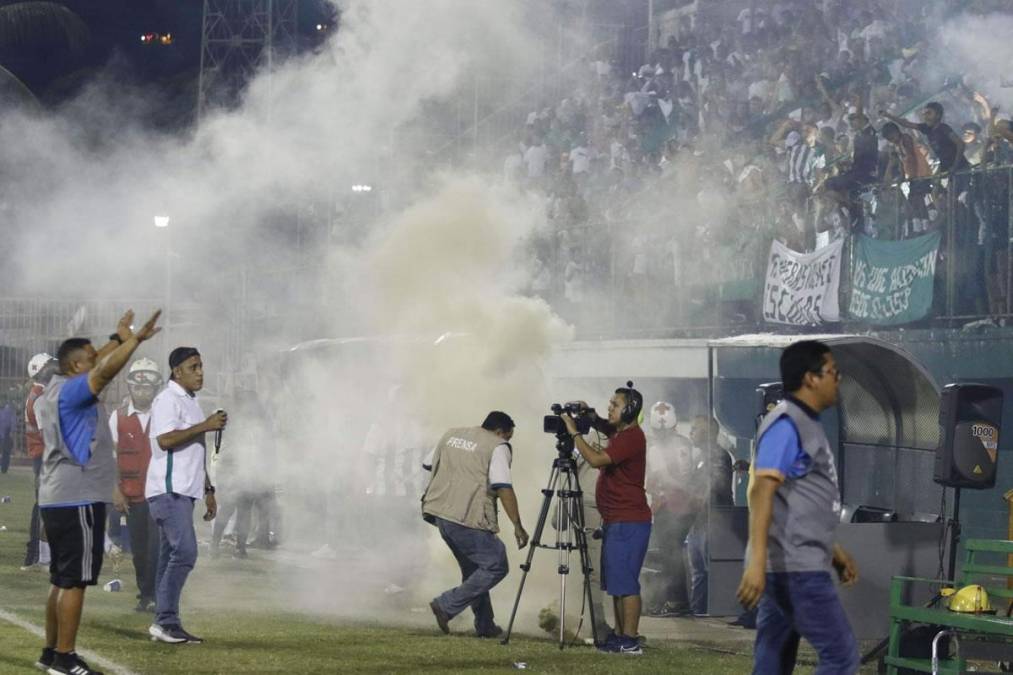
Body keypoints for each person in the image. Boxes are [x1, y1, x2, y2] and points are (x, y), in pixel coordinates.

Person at [35, 309, 162, 675]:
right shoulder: (75, 390)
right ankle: (65, 658)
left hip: (57, 495)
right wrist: (135, 343)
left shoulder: (56, 387)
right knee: (75, 582)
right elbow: (104, 370)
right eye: (90, 358)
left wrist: (119, 339)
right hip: (78, 496)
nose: (97, 359)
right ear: (77, 367)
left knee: (60, 579)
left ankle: (49, 651)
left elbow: (96, 362)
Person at [736, 340, 860, 674]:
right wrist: (757, 562)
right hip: (795, 569)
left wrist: (832, 549)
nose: (838, 379)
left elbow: (794, 499)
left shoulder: (803, 421)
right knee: (842, 656)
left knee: (774, 660)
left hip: (789, 563)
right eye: (833, 372)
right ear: (811, 378)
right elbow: (762, 490)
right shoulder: (787, 422)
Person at [422, 411, 528, 638]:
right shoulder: (498, 445)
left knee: (474, 570)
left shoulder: (451, 434)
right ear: (501, 432)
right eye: (508, 437)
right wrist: (517, 525)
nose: (507, 441)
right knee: (496, 564)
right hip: (467, 516)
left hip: (440, 511)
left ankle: (485, 625)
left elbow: (427, 463)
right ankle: (446, 604)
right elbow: (503, 486)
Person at [562, 382, 650, 656]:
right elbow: (605, 427)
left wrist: (575, 433)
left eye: (615, 405)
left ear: (631, 409)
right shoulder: (622, 432)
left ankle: (631, 640)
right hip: (616, 519)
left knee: (626, 583)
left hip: (629, 520)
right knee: (616, 583)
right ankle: (621, 635)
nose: (610, 408)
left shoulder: (631, 437)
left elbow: (597, 460)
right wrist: (590, 414)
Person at [146, 347, 226, 644]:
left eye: (201, 366)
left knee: (170, 556)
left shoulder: (191, 401)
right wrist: (206, 425)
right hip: (168, 490)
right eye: (194, 367)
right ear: (177, 371)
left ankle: (163, 621)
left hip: (184, 492)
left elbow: (195, 450)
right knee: (186, 553)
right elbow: (165, 440)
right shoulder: (167, 399)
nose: (200, 372)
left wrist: (208, 489)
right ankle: (166, 621)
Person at [108, 358, 163, 612]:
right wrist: (116, 490)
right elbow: (111, 457)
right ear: (130, 387)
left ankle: (156, 594)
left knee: (157, 547)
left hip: (160, 493)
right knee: (140, 550)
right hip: (133, 494)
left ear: (156, 388)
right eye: (138, 388)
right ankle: (145, 593)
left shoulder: (164, 415)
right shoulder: (117, 418)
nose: (142, 392)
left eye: (147, 388)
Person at [643, 401, 694, 617]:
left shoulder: (655, 448)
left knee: (670, 554)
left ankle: (676, 601)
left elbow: (664, 477)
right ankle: (672, 599)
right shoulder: (686, 443)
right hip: (680, 505)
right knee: (671, 553)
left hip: (669, 505)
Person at [22, 353, 57, 571]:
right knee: (44, 508)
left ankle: (40, 555)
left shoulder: (41, 394)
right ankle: (36, 555)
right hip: (45, 457)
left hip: (43, 456)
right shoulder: (41, 397)